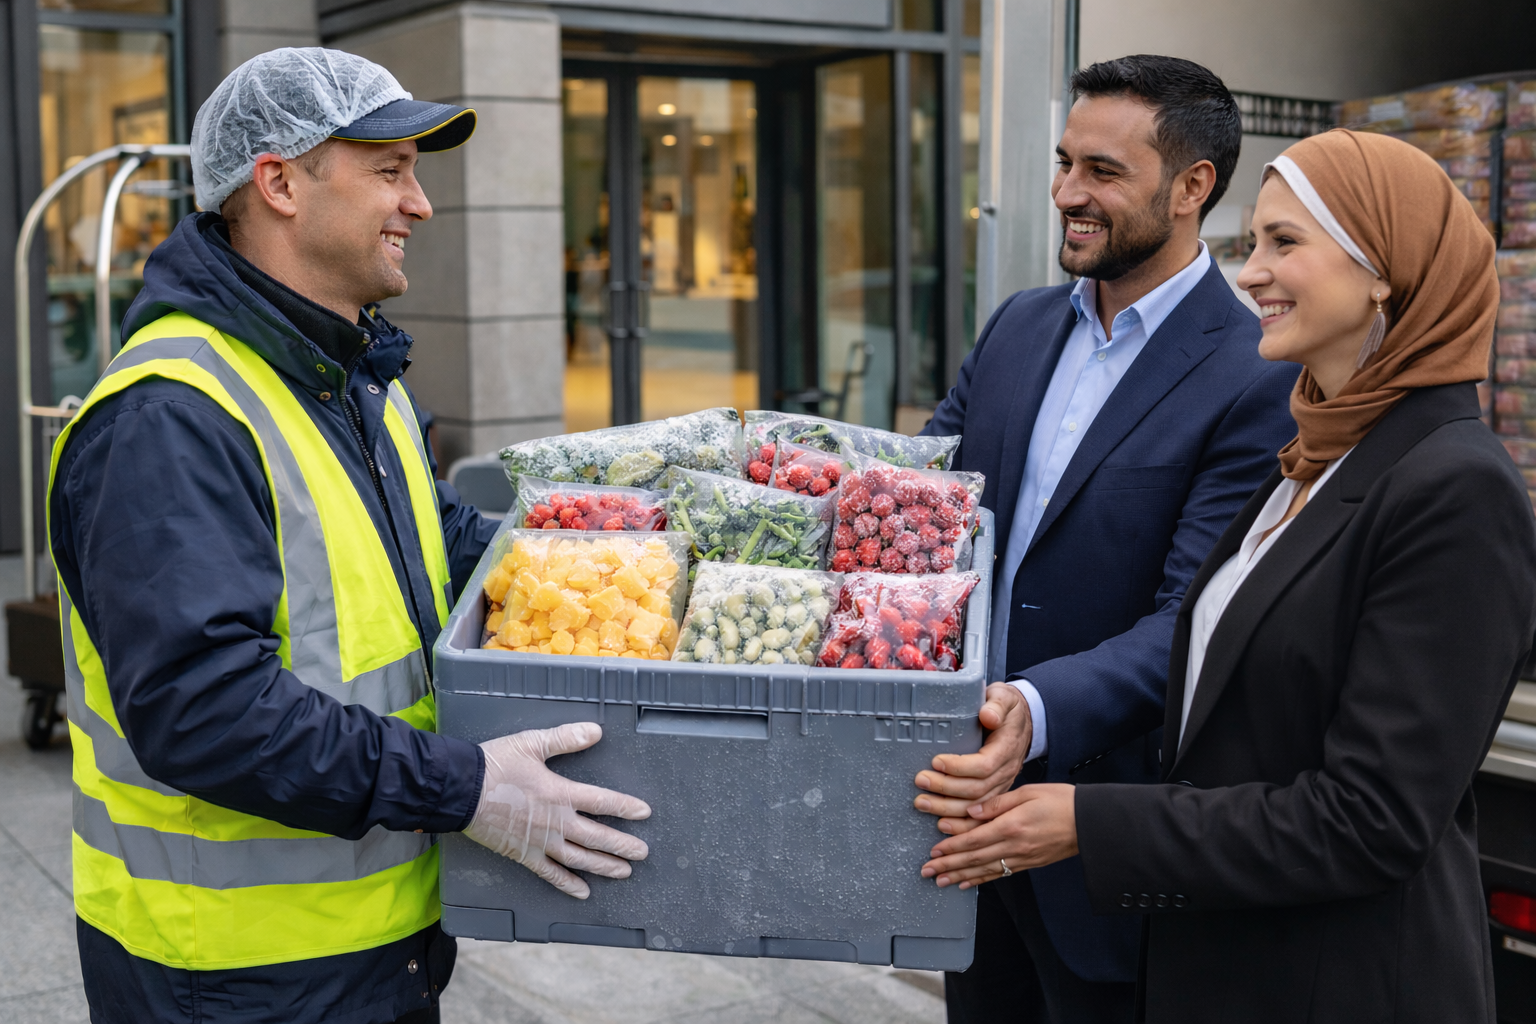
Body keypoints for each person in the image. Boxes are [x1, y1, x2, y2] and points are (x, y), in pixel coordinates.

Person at [50, 48, 651, 1024]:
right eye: (388, 168)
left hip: (373, 944)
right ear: (279, 181)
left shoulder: (352, 375)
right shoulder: (172, 414)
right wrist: (466, 786)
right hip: (236, 979)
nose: (418, 203)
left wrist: (632, 568)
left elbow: (444, 545)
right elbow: (202, 709)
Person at [921, 128, 1536, 1022]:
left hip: (1338, 984)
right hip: (1221, 959)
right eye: (1255, 244)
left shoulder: (1455, 485)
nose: (1248, 274)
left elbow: (1371, 821)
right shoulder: (1316, 454)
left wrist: (1089, 822)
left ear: (1384, 272)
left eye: (1285, 244)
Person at [913, 55, 1298, 1021]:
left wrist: (1033, 712)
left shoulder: (1256, 376)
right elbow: (916, 502)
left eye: (1102, 172)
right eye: (1063, 163)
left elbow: (1198, 621)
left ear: (1191, 189)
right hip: (961, 824)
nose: (1065, 194)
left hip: (1103, 842)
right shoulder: (1017, 327)